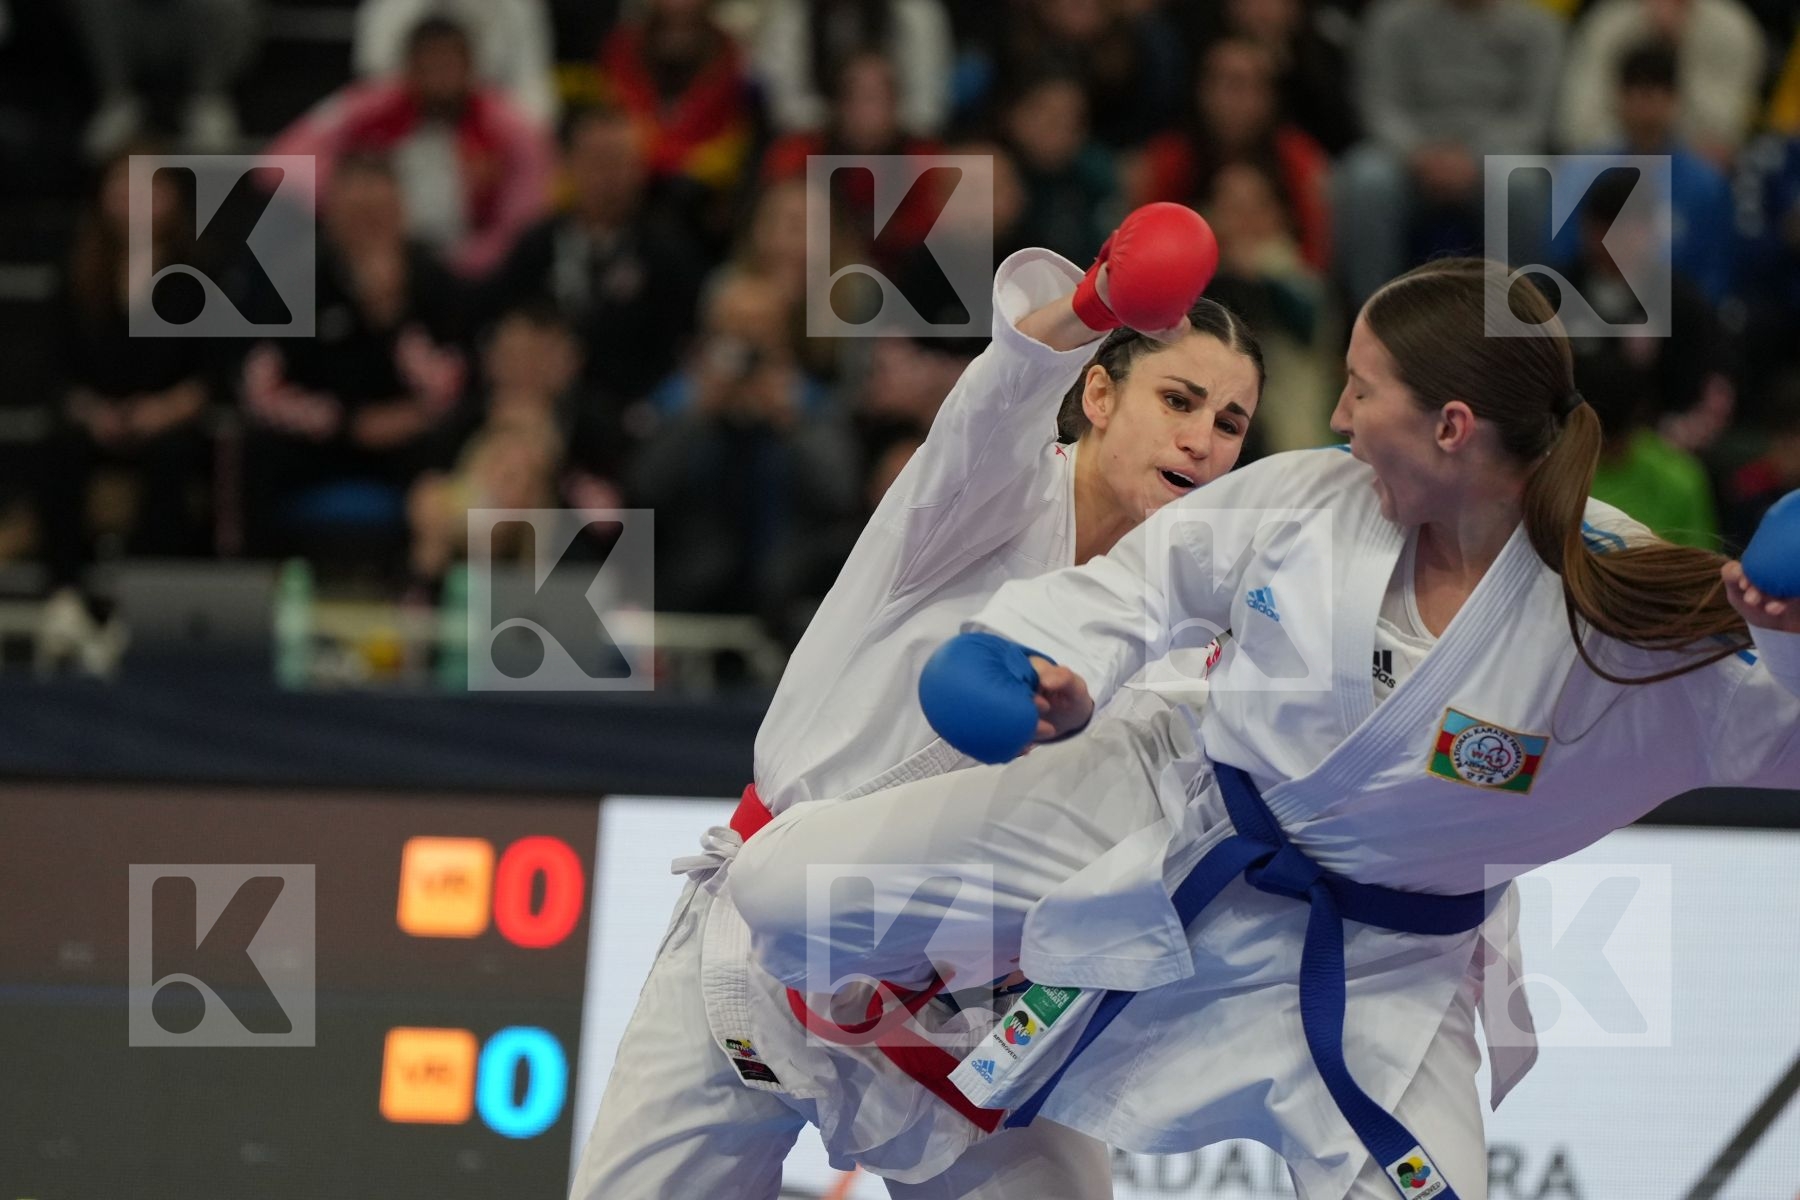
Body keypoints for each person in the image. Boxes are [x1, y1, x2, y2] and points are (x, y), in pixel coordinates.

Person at [730, 257, 1800, 1198]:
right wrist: (1044, 666)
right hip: (1164, 817)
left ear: (1451, 428)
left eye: (1360, 389)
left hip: (1383, 966)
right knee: (783, 897)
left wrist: (1787, 631)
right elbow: (1135, 590)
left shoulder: (1614, 620)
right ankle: (842, 1057)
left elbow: (1782, 730)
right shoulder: (1310, 503)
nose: (1335, 417)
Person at [569, 204, 1263, 1198]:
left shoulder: (1203, 632)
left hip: (966, 1024)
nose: (1202, 440)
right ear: (1100, 395)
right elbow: (1003, 397)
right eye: (1181, 400)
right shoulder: (989, 498)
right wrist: (1091, 305)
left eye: (1228, 423)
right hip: (763, 957)